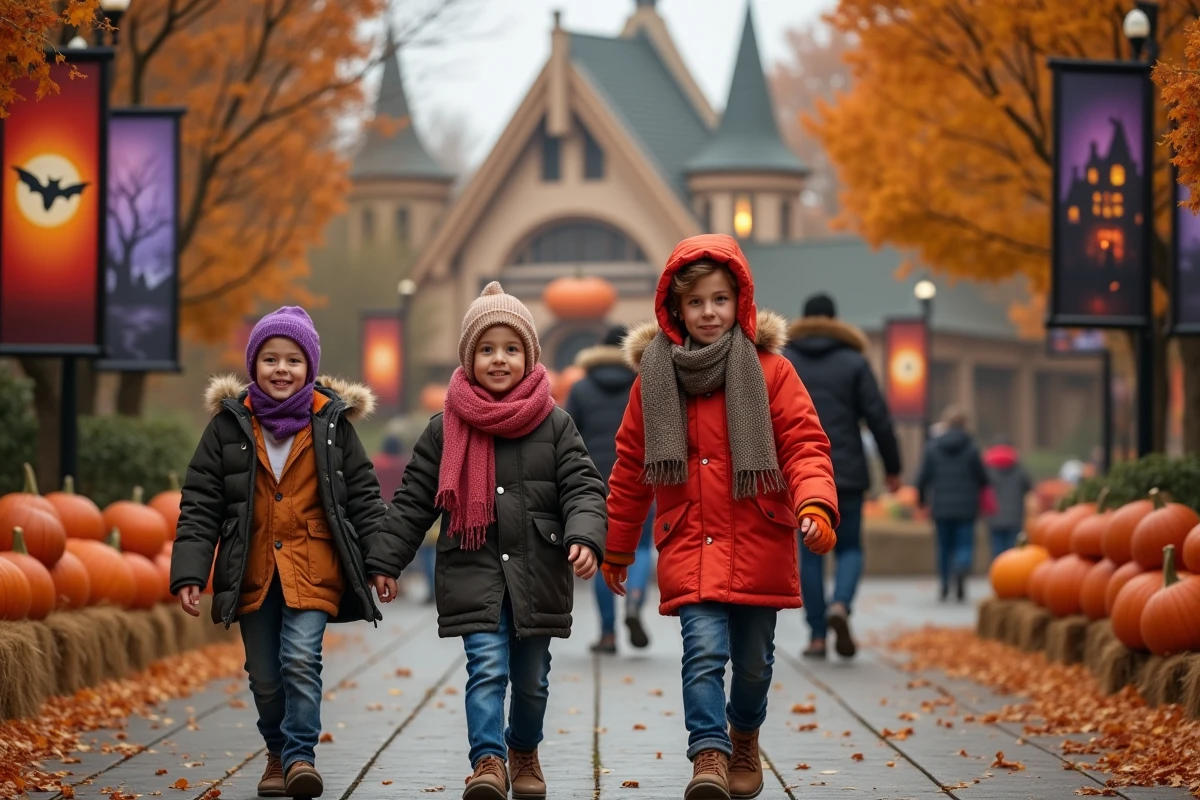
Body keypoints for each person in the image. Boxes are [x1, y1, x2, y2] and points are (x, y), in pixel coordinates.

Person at [603, 234, 838, 800]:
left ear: (741, 303)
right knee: (702, 652)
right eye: (696, 302)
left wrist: (815, 503)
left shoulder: (772, 372)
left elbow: (804, 444)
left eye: (720, 300)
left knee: (754, 664)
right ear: (675, 309)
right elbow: (632, 466)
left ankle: (744, 734)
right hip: (689, 539)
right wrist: (616, 545)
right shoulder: (653, 380)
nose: (709, 313)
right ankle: (708, 754)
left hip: (759, 535)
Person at [365, 282, 607, 800]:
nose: (500, 360)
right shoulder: (444, 428)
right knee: (487, 668)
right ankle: (489, 763)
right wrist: (386, 559)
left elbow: (584, 488)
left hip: (537, 573)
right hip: (473, 568)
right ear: (469, 357)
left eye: (512, 348)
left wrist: (585, 535)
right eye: (487, 349)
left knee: (533, 680)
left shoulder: (555, 424)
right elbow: (412, 502)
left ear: (530, 355)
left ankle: (523, 749)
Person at [170, 306, 393, 799]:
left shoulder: (331, 426)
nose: (281, 369)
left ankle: (299, 759)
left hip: (314, 567)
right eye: (269, 359)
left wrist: (380, 563)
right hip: (251, 567)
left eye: (293, 360)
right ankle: (276, 749)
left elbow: (364, 500)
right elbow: (201, 502)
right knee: (264, 675)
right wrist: (190, 570)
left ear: (309, 368)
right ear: (253, 366)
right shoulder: (230, 426)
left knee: (299, 659)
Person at [783, 292, 902, 661]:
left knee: (811, 553)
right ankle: (841, 606)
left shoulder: (786, 360)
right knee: (849, 546)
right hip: (846, 470)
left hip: (801, 471)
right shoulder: (854, 362)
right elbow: (878, 418)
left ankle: (817, 635)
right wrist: (893, 466)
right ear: (836, 320)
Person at [565, 325, 654, 654]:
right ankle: (635, 600)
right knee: (642, 545)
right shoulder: (642, 384)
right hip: (640, 475)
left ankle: (607, 634)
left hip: (593, 481)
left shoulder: (582, 388)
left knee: (604, 553)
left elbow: (567, 435)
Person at [916, 405, 989, 602]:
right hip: (966, 506)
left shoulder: (932, 447)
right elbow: (983, 478)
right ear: (965, 424)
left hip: (941, 506)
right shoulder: (972, 448)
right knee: (964, 544)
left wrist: (922, 500)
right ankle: (961, 567)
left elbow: (922, 477)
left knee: (943, 546)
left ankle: (944, 584)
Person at [982, 436, 1032, 558]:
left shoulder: (987, 467)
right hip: (1015, 515)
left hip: (994, 514)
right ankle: (1010, 573)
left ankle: (998, 570)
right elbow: (1028, 485)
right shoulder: (1018, 467)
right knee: (1012, 548)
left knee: (997, 547)